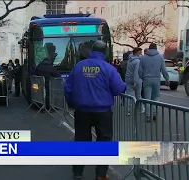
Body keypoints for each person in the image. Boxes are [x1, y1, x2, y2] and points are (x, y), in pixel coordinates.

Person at [64, 41, 125, 180]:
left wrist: (72, 103)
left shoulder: (79, 67)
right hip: (102, 112)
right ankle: (101, 174)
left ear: (91, 51)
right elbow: (118, 88)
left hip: (82, 111)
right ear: (104, 52)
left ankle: (78, 172)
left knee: (81, 140)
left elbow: (67, 88)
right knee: (103, 142)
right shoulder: (108, 68)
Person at [139, 43, 169, 121]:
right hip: (156, 79)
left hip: (146, 79)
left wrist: (142, 77)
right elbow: (164, 69)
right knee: (156, 96)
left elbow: (140, 70)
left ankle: (148, 116)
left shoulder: (143, 57)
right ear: (156, 48)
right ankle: (155, 112)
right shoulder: (160, 57)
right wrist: (167, 78)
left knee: (147, 98)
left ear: (149, 48)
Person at [125, 48, 145, 115]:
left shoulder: (129, 60)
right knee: (138, 95)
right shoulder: (138, 61)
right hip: (137, 79)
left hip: (128, 78)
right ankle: (141, 108)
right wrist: (135, 81)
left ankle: (128, 110)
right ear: (136, 53)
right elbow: (136, 72)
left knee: (128, 94)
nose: (140, 54)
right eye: (140, 52)